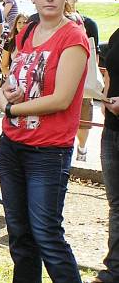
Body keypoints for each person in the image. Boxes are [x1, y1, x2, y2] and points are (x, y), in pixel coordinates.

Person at [0, 0, 89, 283]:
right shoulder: (28, 31)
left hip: (48, 152)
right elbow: (15, 79)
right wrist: (5, 92)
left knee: (47, 235)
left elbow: (61, 99)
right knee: (20, 237)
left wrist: (9, 110)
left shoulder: (74, 37)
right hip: (11, 146)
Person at [94, 27, 119, 283]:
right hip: (112, 131)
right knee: (116, 205)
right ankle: (114, 271)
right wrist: (104, 95)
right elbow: (110, 73)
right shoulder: (117, 35)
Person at [66, 0, 99, 162]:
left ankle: (82, 148)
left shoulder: (88, 23)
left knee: (84, 117)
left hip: (84, 78)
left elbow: (95, 56)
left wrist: (92, 78)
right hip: (63, 79)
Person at [1, 13, 28, 77]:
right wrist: (12, 77)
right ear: (15, 25)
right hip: (13, 79)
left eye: (25, 22)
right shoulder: (9, 42)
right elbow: (4, 66)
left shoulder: (34, 42)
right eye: (19, 22)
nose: (22, 25)